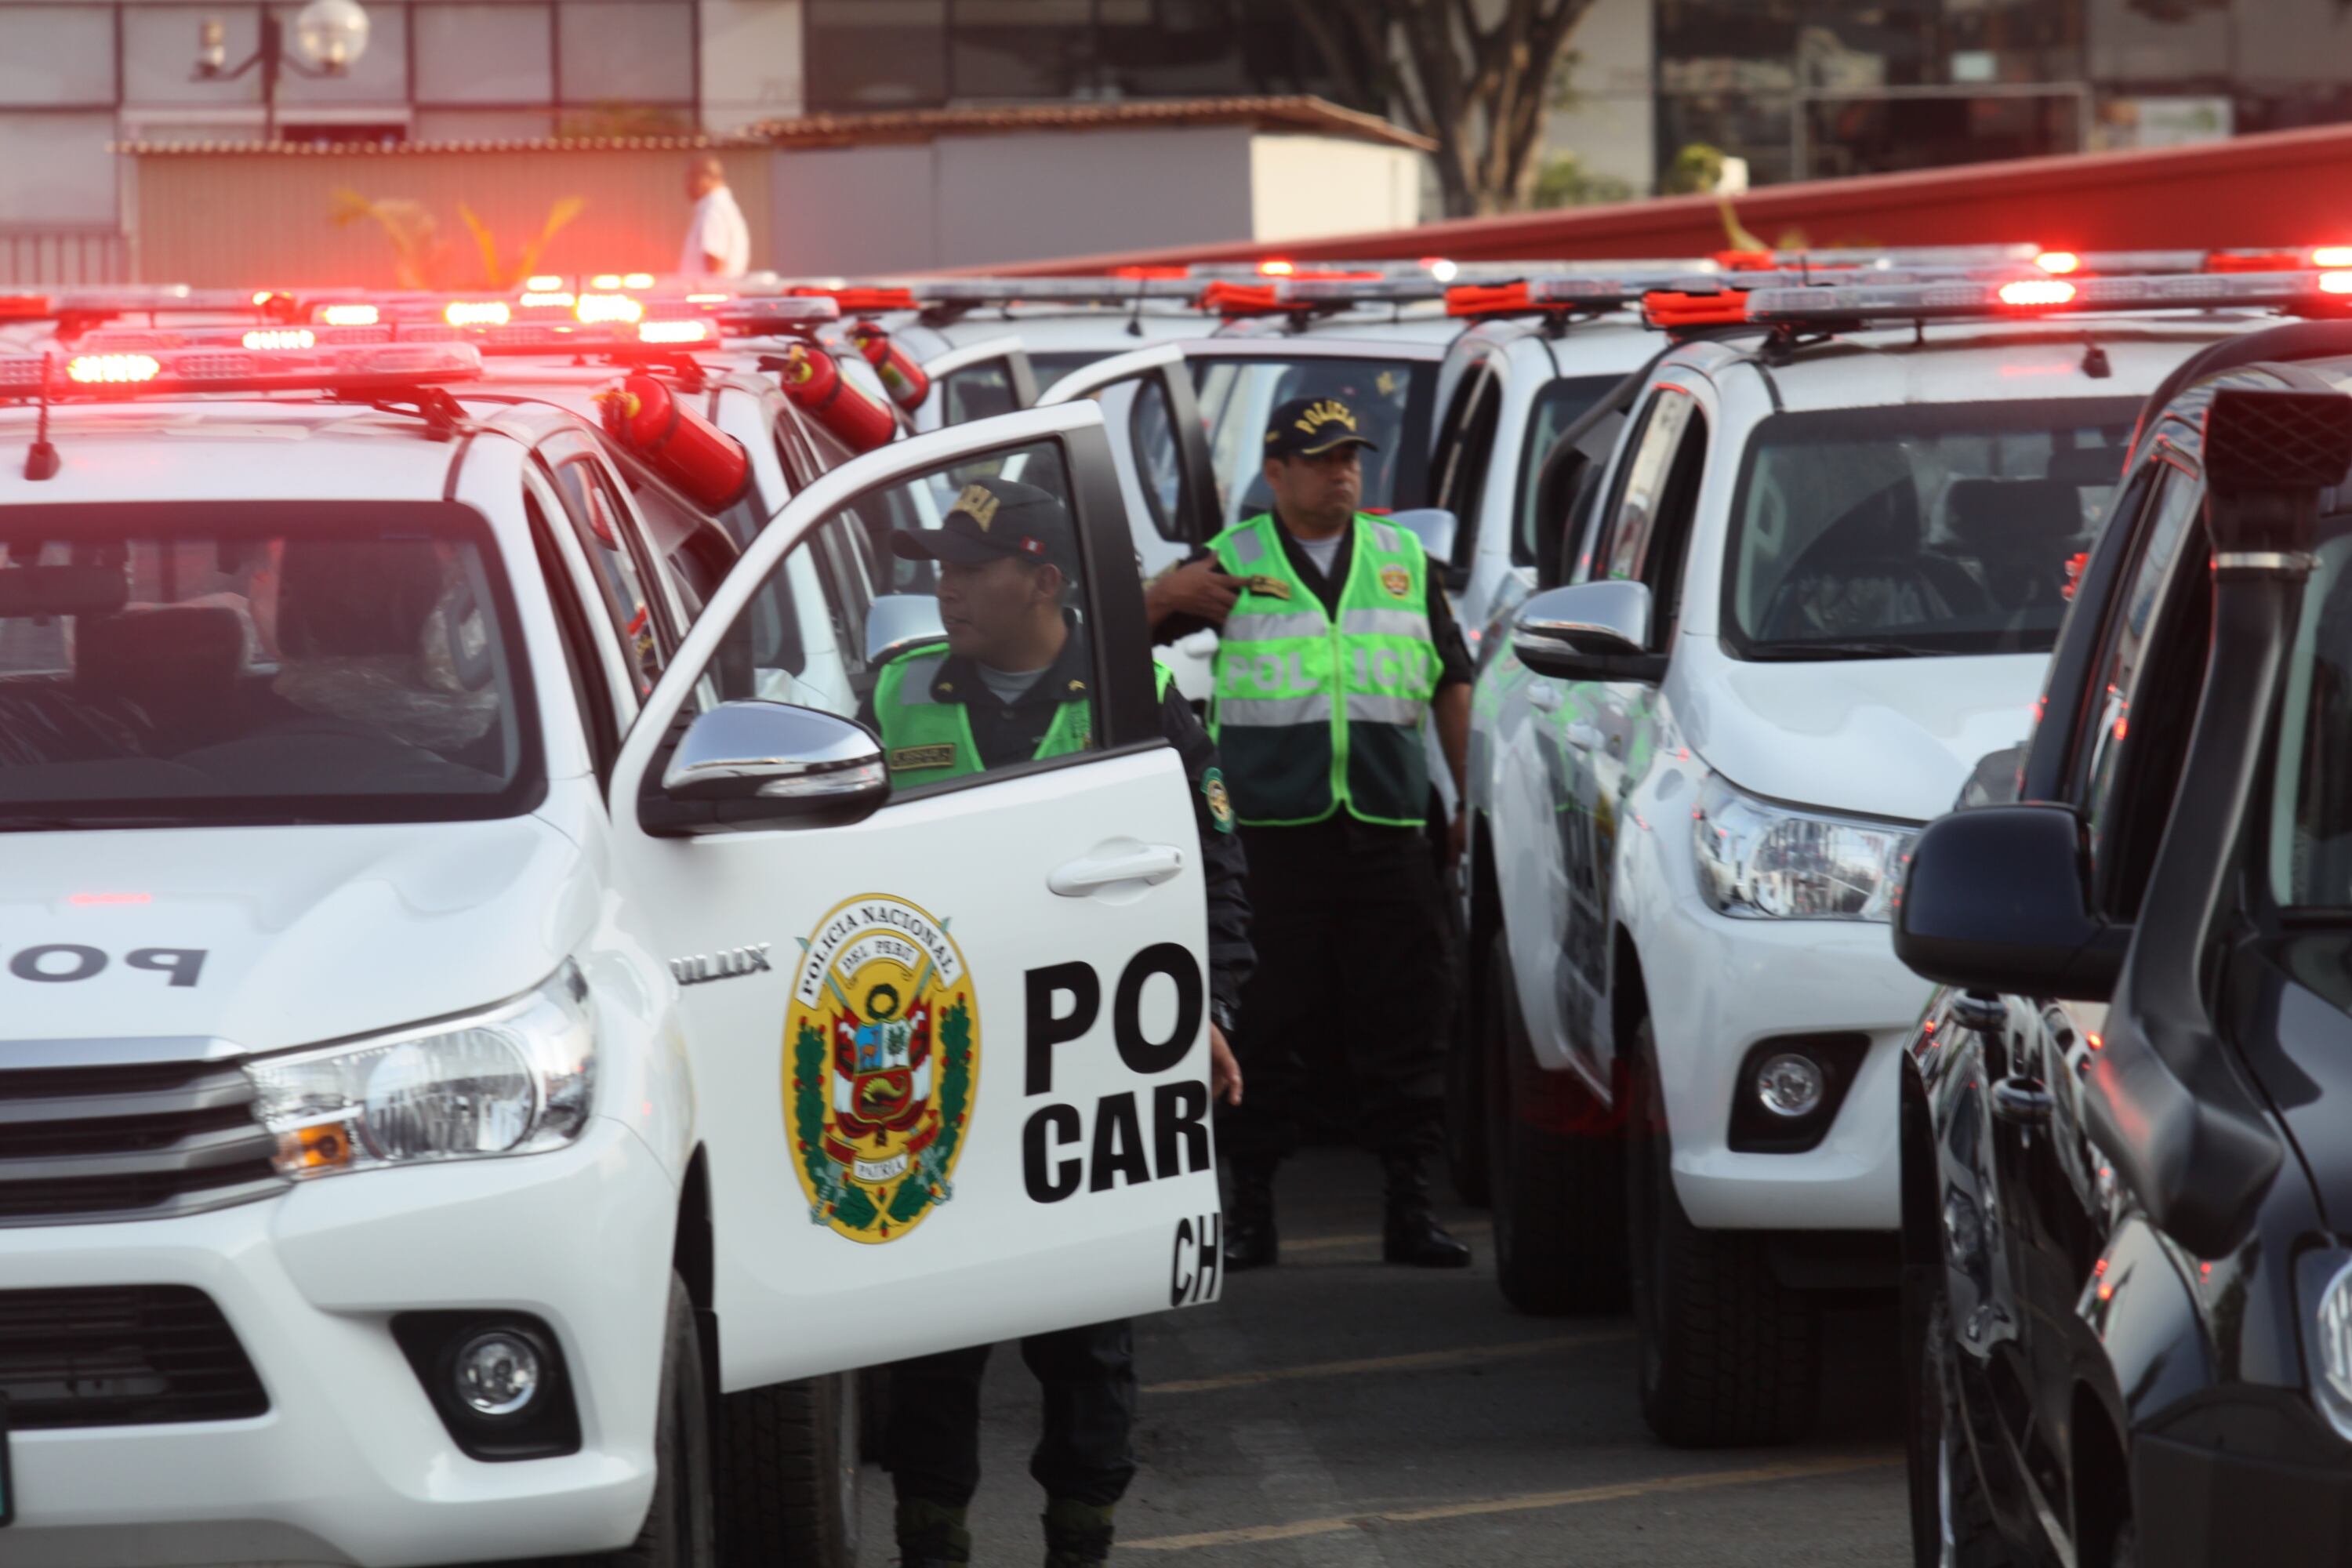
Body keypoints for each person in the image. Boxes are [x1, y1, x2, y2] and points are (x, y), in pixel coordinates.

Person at [866, 476, 1252, 1568]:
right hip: (935, 1066)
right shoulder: (895, 694)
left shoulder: (1138, 696)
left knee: (1088, 1341)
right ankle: (929, 1542)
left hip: (1090, 1069)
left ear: (1042, 578)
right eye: (935, 566)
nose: (942, 587)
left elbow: (1215, 871)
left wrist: (1210, 1009)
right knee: (930, 1340)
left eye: (967, 567)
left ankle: (1079, 1544)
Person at [1152, 396, 1475, 1273]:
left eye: (1351, 457)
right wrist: (1164, 592)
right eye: (1322, 457)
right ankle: (1252, 1208)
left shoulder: (1404, 556)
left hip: (1385, 821)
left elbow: (1451, 678)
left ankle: (1410, 1207)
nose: (1343, 471)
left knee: (1408, 1016)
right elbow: (1128, 640)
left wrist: (1466, 797)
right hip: (1272, 833)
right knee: (1262, 1021)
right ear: (1276, 472)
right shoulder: (1238, 559)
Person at [678, 154, 750, 279]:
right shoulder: (723, 207)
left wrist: (710, 295)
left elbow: (714, 261)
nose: (687, 185)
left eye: (691, 178)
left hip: (706, 295)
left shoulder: (713, 210)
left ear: (707, 178)